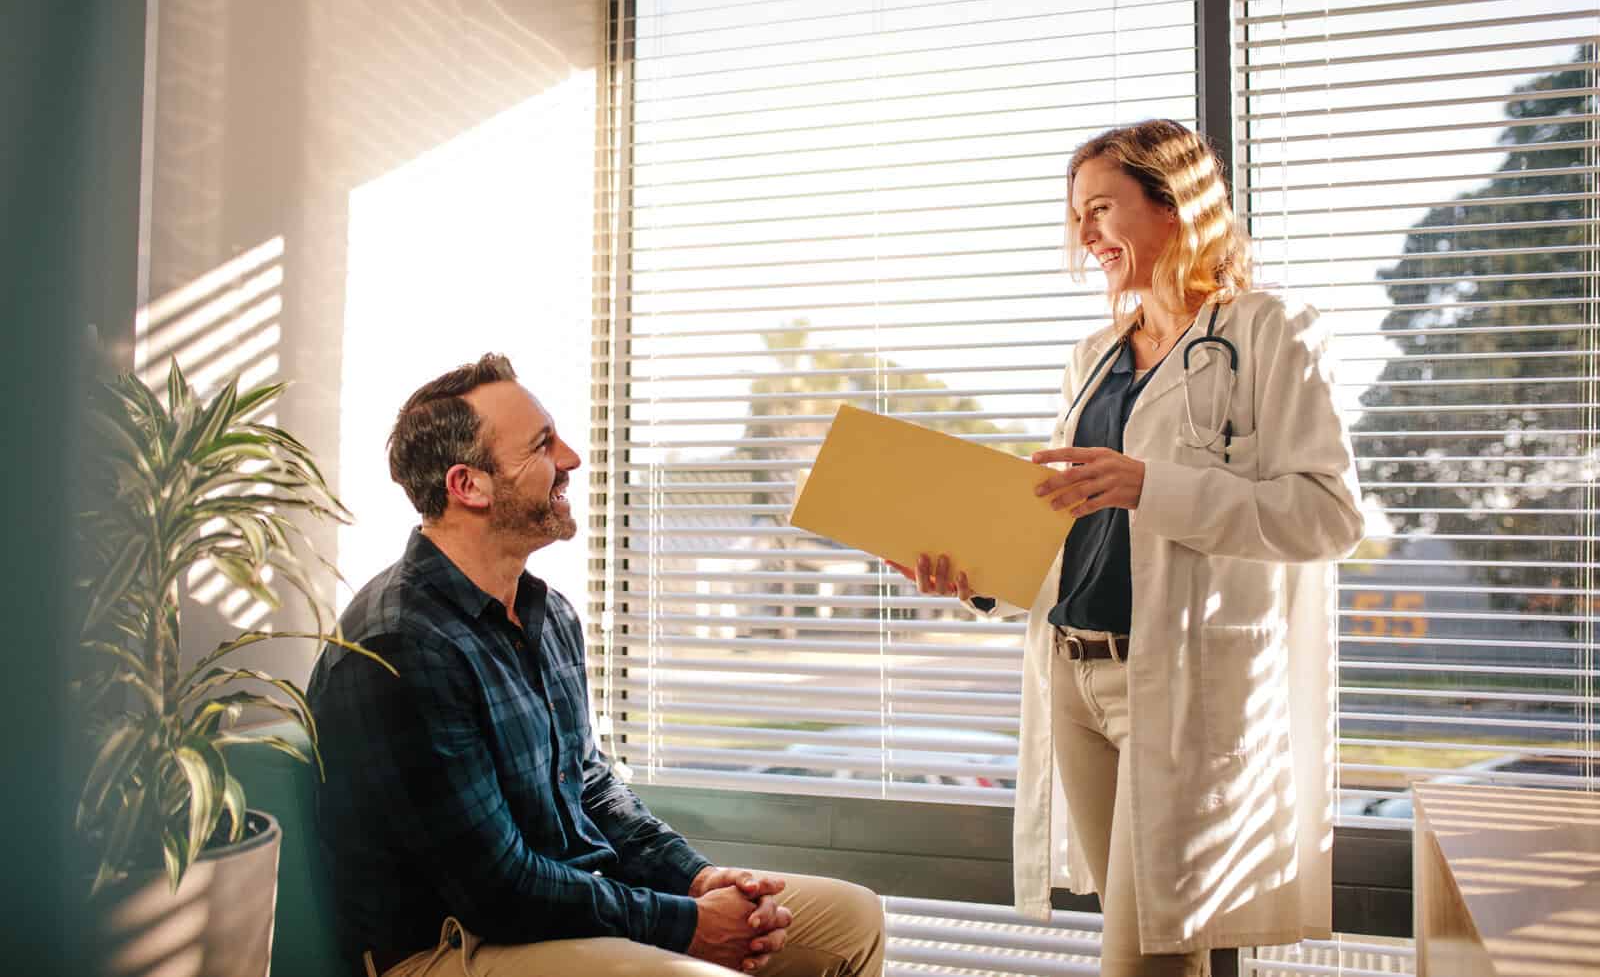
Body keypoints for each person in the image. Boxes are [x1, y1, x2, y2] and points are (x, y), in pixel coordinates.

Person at [890, 120, 1363, 976]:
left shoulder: (1270, 331)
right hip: (1075, 672)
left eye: (1102, 209)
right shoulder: (1093, 357)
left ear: (1174, 206)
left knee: (1148, 958)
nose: (1085, 237)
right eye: (1077, 216)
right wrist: (974, 575)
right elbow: (1075, 521)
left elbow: (1327, 516)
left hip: (1183, 680)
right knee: (1167, 944)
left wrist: (1154, 485)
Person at [308, 354, 885, 977]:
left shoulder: (548, 614)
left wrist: (696, 879)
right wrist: (685, 926)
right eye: (542, 445)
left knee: (853, 917)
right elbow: (496, 888)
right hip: (446, 947)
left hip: (558, 912)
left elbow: (590, 788)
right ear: (467, 485)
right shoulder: (400, 645)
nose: (571, 458)